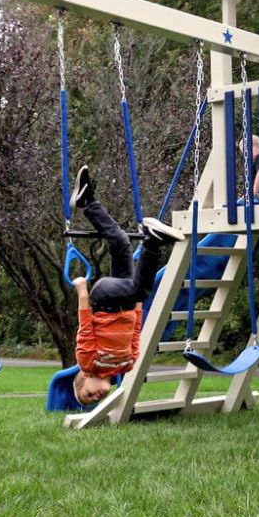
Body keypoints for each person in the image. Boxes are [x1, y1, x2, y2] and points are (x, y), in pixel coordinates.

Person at [69, 165, 184, 405]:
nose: (97, 395)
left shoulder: (87, 362)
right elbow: (135, 335)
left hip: (103, 299)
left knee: (140, 288)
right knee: (121, 242)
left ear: (84, 377)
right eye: (96, 399)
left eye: (88, 393)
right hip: (127, 303)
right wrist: (138, 305)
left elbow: (86, 328)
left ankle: (153, 241)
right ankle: (87, 201)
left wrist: (82, 292)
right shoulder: (128, 364)